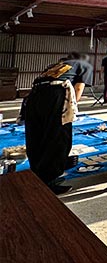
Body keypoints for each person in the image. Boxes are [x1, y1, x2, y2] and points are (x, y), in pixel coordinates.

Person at [24, 52, 93, 194]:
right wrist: (71, 108)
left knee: (36, 135)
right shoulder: (84, 65)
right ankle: (49, 180)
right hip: (56, 95)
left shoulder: (56, 65)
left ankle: (37, 173)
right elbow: (78, 88)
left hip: (34, 95)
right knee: (58, 137)